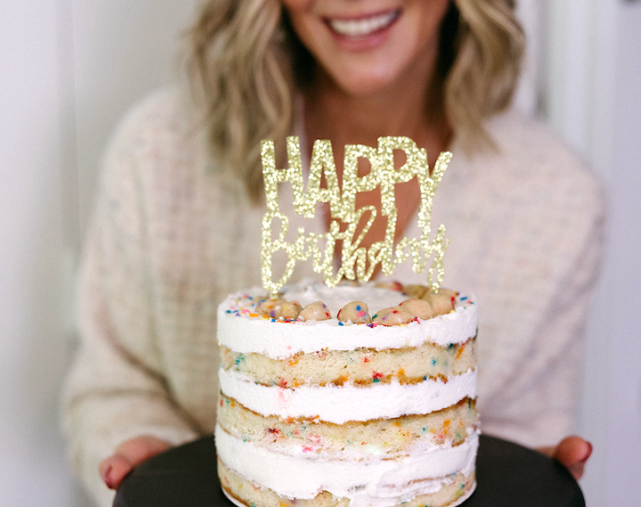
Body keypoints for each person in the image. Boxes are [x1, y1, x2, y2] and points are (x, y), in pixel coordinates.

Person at [61, 1, 602, 505]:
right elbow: (113, 387)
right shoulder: (158, 150)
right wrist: (160, 460)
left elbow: (519, 434)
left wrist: (524, 476)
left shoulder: (555, 197)